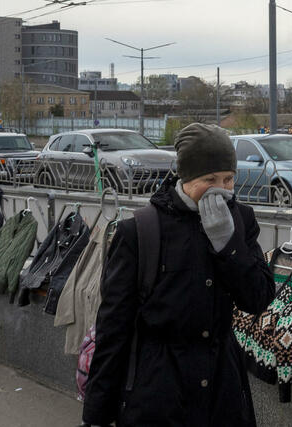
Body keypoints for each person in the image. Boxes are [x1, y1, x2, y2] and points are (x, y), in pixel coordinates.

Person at [82, 123, 275, 426]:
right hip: (159, 393)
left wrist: (228, 246)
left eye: (228, 179)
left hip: (222, 390)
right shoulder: (140, 231)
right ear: (185, 177)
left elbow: (257, 297)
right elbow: (114, 328)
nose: (221, 190)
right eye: (209, 179)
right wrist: (97, 414)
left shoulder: (241, 220)